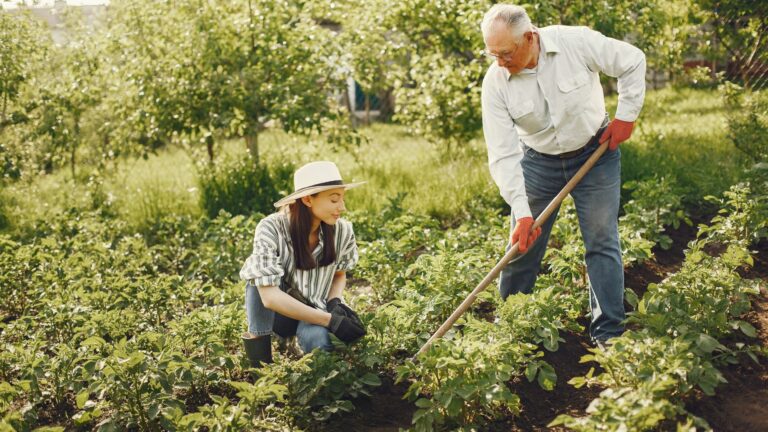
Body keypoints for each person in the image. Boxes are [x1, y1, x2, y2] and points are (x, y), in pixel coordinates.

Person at [479, 4, 646, 347]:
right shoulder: (496, 82)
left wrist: (626, 116)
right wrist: (523, 213)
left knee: (601, 240)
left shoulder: (575, 43)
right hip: (538, 162)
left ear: (530, 37)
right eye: (492, 54)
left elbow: (632, 60)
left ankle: (609, 334)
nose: (499, 62)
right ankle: (511, 328)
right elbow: (503, 153)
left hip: (595, 153)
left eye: (506, 53)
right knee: (522, 245)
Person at [239, 161, 367, 367]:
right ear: (307, 199)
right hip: (279, 314)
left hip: (316, 309)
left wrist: (334, 303)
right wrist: (330, 321)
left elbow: (339, 274)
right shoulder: (271, 228)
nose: (342, 207)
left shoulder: (343, 231)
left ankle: (305, 355)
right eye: (334, 200)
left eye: (342, 198)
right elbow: (269, 298)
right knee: (256, 281)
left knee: (319, 343)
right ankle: (259, 367)